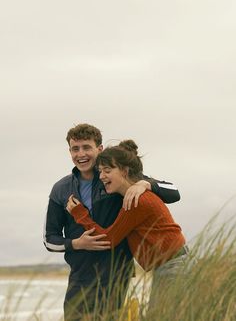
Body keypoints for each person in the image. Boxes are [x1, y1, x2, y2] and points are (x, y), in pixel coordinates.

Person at [44, 124, 181, 320]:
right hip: (81, 275)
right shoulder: (61, 189)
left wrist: (146, 183)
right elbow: (50, 238)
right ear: (70, 152)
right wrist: (76, 243)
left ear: (99, 149)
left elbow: (174, 192)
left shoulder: (115, 176)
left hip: (117, 274)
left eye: (86, 147)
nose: (81, 154)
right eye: (75, 149)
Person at [66, 139, 188, 311]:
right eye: (100, 171)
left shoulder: (137, 200)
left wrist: (80, 215)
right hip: (172, 265)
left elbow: (109, 239)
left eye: (107, 171)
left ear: (124, 171)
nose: (101, 176)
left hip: (174, 267)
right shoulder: (131, 197)